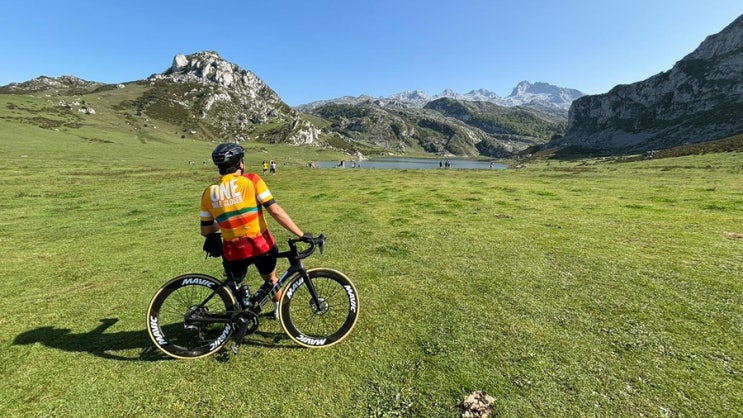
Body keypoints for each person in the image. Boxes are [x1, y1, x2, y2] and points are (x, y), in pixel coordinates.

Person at [200, 143, 308, 318]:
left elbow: (205, 230)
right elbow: (275, 210)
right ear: (240, 164)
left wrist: (225, 219)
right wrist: (301, 234)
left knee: (233, 285)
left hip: (233, 251)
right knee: (271, 279)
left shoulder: (209, 192)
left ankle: (236, 314)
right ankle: (277, 312)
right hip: (261, 246)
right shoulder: (252, 180)